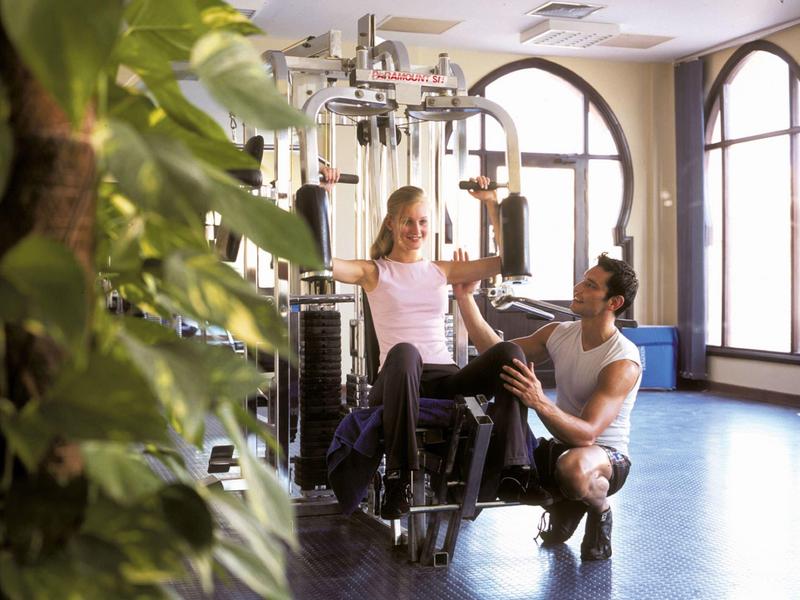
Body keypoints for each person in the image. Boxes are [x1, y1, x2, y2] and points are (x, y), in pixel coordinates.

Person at [322, 169, 545, 520]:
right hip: (398, 377)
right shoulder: (373, 271)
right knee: (406, 351)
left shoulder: (440, 270)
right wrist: (325, 197)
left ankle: (515, 470)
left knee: (510, 354)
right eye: (407, 222)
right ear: (391, 224)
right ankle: (399, 477)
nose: (416, 230)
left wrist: (490, 205)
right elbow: (318, 262)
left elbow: (509, 261)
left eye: (423, 222)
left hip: (445, 379)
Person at [452, 250, 641, 560]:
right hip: (561, 446)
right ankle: (567, 502)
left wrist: (539, 400)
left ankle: (599, 509)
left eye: (591, 285)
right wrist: (464, 299)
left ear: (614, 302)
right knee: (507, 462)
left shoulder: (621, 361)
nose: (578, 289)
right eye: (582, 280)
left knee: (573, 468)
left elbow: (587, 436)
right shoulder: (560, 333)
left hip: (604, 457)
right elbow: (498, 353)